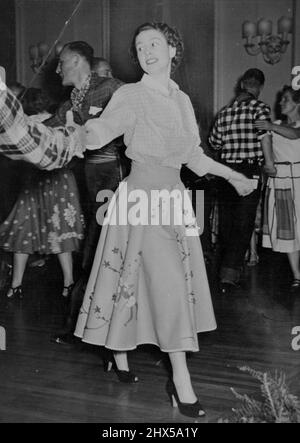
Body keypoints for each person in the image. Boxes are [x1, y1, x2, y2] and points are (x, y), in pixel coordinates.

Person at [0, 22, 254, 418]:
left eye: (155, 43)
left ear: (173, 49)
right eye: (140, 47)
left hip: (172, 201)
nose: (147, 51)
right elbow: (101, 130)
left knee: (132, 282)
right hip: (140, 199)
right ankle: (181, 382)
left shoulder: (183, 101)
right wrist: (61, 132)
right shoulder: (130, 95)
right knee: (163, 286)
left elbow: (194, 157)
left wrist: (235, 176)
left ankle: (118, 353)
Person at [46, 43, 128, 344]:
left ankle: (111, 337)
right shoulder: (69, 105)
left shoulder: (110, 88)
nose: (57, 69)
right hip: (92, 182)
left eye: (62, 62)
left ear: (79, 61)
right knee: (92, 255)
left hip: (116, 178)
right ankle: (82, 329)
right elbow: (45, 132)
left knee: (107, 253)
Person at [0, 88, 85, 299]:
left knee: (23, 229)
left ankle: (16, 284)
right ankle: (68, 282)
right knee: (60, 230)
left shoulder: (22, 124)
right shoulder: (58, 121)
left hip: (35, 182)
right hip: (60, 182)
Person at [209, 68, 276, 294]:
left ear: (241, 86)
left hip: (227, 170)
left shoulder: (224, 112)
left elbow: (215, 143)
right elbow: (264, 136)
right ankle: (229, 274)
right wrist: (269, 163)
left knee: (227, 222)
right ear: (258, 87)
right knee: (244, 222)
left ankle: (222, 272)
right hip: (250, 169)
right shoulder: (260, 108)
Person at [255, 86, 300, 291]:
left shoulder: (287, 126)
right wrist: (267, 163)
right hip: (280, 181)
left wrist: (270, 126)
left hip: (298, 180)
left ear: (298, 103)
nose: (281, 103)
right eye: (282, 99)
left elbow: (294, 134)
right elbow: (266, 144)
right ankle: (297, 275)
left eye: (286, 99)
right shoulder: (277, 124)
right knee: (288, 228)